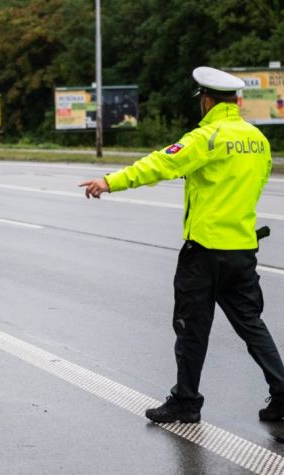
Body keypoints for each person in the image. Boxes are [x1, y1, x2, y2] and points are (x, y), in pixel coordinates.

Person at [79, 66, 284, 423]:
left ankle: (186, 402)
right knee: (252, 324)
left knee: (192, 329)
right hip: (242, 251)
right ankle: (283, 394)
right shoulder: (258, 141)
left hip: (204, 253)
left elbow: (160, 163)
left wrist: (110, 181)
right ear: (236, 101)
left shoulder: (205, 137)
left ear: (206, 100)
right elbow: (257, 184)